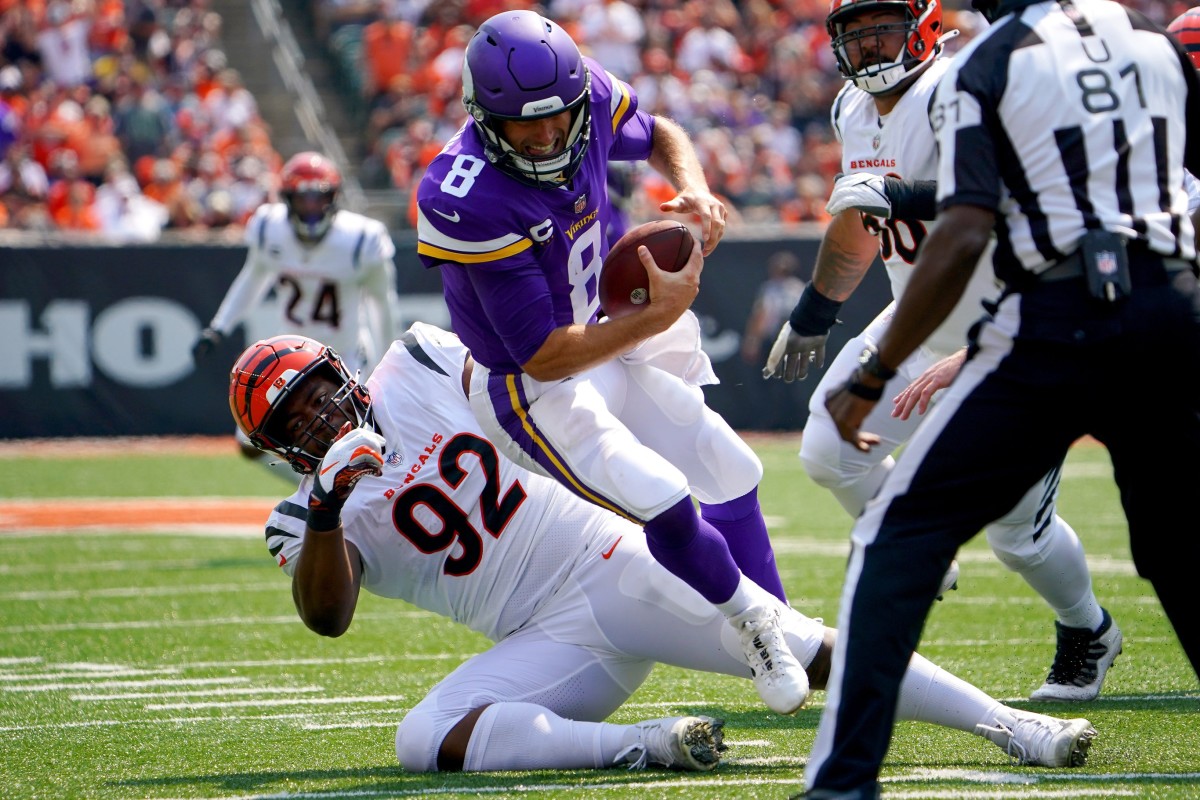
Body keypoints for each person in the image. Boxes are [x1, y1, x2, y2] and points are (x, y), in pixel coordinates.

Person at [227, 325, 1098, 775]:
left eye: (313, 394)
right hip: (541, 642)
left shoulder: (412, 362)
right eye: (290, 420)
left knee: (802, 646)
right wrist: (336, 505)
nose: (316, 417)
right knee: (424, 739)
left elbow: (517, 396)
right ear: (275, 448)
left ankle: (1011, 724)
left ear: (340, 371)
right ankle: (646, 743)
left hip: (605, 563)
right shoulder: (300, 518)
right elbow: (328, 617)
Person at [803, 0, 1200, 793]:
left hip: (1044, 318)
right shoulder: (1155, 48)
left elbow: (968, 226)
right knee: (1180, 550)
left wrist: (891, 368)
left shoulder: (986, 67)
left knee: (900, 542)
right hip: (1166, 308)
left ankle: (842, 784)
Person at [414, 10, 807, 716]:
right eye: (523, 126)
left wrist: (693, 185)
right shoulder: (461, 195)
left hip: (598, 334)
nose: (545, 136)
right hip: (529, 387)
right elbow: (542, 351)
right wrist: (654, 317)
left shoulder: (584, 96)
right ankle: (756, 628)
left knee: (727, 464)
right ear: (481, 115)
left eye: (556, 119)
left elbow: (659, 134)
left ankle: (792, 625)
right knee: (657, 491)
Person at [763, 0, 1120, 704]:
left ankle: (1090, 629)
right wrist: (816, 310)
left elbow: (1011, 201)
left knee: (1019, 536)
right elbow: (863, 219)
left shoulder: (965, 88)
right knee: (829, 449)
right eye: (856, 37)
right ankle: (926, 550)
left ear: (925, 26)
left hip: (1009, 326)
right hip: (919, 319)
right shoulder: (851, 110)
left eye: (883, 33)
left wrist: (897, 194)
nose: (869, 51)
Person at [194, 151, 399, 476]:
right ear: (288, 199)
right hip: (292, 358)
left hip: (343, 357)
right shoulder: (268, 227)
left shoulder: (361, 239)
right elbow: (253, 278)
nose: (311, 207)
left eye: (318, 197)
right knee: (255, 442)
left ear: (333, 198)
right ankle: (322, 494)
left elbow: (382, 304)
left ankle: (346, 498)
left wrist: (390, 360)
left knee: (361, 439)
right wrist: (220, 326)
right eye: (302, 198)